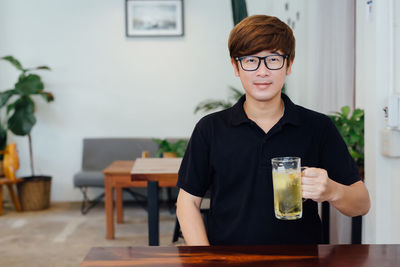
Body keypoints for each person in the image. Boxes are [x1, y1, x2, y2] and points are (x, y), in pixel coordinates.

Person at [176, 15, 370, 246]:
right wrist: (206, 261)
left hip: (301, 261)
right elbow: (187, 203)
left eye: (273, 59)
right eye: (250, 60)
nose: (262, 71)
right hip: (228, 260)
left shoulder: (318, 127)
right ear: (235, 66)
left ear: (289, 64)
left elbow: (361, 203)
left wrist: (332, 191)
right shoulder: (210, 128)